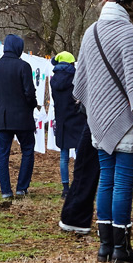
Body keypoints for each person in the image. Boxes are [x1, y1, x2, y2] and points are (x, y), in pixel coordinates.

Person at [75, 0, 133, 263]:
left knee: (106, 181)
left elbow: (82, 79)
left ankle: (104, 247)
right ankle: (120, 249)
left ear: (106, 0)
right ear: (130, 3)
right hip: (126, 118)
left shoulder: (91, 32)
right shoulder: (129, 33)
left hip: (99, 119)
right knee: (123, 183)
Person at [0, 33, 37, 205]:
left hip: (4, 117)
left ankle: (6, 190)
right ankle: (22, 187)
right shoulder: (23, 66)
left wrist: (1, 105)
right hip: (23, 116)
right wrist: (31, 105)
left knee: (3, 154)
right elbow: (29, 92)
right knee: (28, 151)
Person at [49, 51, 85, 196]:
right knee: (78, 154)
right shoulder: (76, 78)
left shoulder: (53, 79)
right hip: (76, 118)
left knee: (63, 156)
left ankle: (65, 188)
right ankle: (78, 184)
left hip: (61, 118)